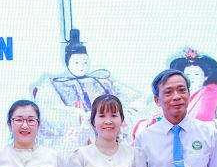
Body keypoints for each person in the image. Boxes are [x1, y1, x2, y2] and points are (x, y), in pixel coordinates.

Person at [32, 29, 142, 159]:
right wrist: (82, 117)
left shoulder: (102, 81)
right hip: (75, 139)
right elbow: (50, 111)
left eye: (85, 62)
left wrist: (116, 114)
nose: (81, 66)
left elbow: (133, 98)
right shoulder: (54, 84)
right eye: (76, 62)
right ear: (67, 62)